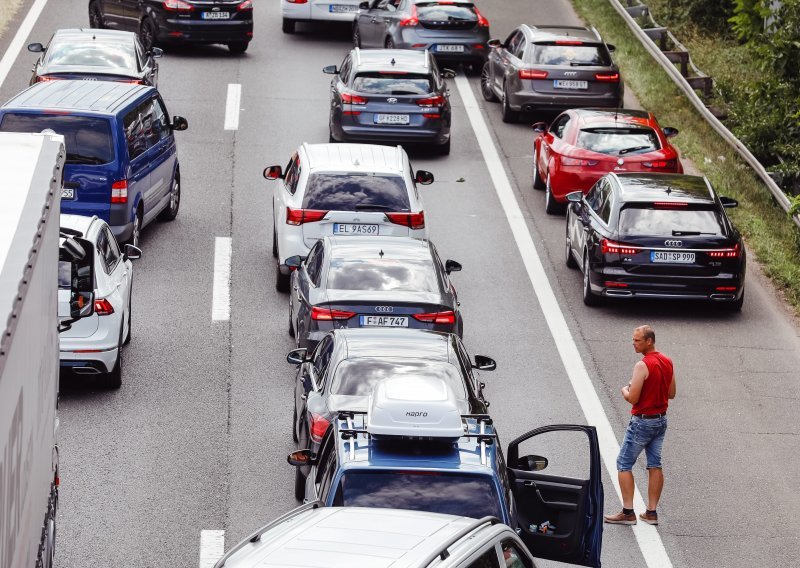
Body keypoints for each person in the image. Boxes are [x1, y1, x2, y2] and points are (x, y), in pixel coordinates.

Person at [604, 325, 676, 526]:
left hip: (642, 422)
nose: (633, 344)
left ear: (649, 341)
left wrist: (624, 390)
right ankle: (651, 512)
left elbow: (633, 398)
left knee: (623, 463)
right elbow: (671, 393)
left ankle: (628, 512)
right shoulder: (667, 361)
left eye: (637, 340)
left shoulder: (642, 365)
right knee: (654, 463)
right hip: (661, 420)